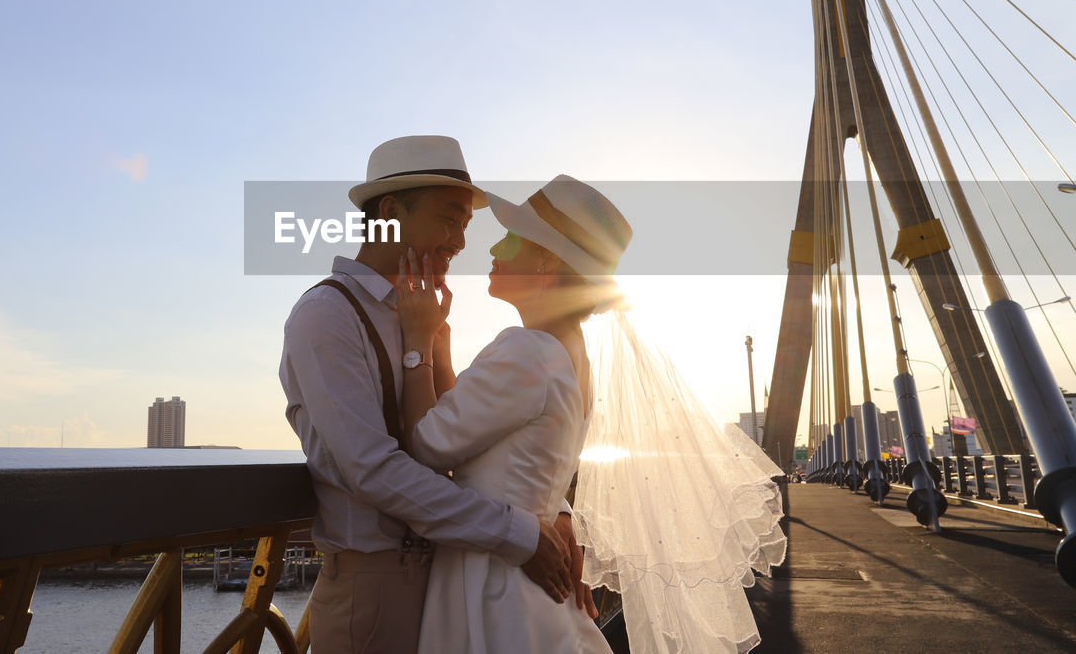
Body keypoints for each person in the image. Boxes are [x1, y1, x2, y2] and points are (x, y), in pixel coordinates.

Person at [396, 175, 787, 654]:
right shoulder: (569, 355)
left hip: (493, 581)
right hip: (534, 574)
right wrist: (441, 340)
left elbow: (427, 444)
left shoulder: (526, 351)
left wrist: (415, 343)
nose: (494, 245)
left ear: (546, 260)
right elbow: (473, 431)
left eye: (512, 236)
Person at [278, 136, 575, 654]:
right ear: (390, 212)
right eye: (450, 218)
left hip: (446, 585)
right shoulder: (327, 315)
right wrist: (522, 534)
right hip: (373, 593)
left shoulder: (421, 314)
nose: (461, 240)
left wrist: (559, 515)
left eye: (464, 224)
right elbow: (371, 468)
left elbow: (468, 446)